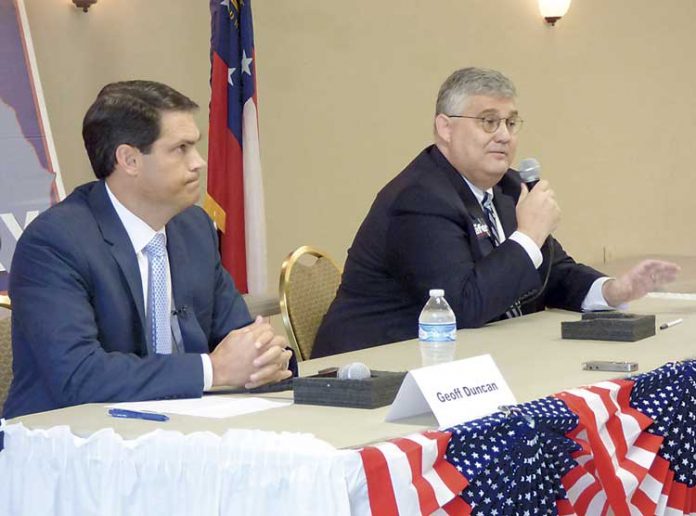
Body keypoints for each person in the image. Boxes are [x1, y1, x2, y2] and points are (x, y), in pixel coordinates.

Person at [313, 67, 679, 358]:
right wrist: (527, 237)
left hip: (460, 363)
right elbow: (462, 307)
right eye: (489, 121)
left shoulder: (508, 188)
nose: (504, 135)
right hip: (373, 373)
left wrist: (612, 290)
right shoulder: (420, 199)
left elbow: (553, 273)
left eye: (510, 122)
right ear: (445, 127)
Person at [3, 80, 293, 418]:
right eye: (181, 148)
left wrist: (265, 355)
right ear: (129, 160)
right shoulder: (55, 243)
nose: (198, 162)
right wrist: (213, 370)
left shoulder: (194, 228)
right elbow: (79, 375)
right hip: (67, 443)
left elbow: (238, 335)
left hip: (183, 429)